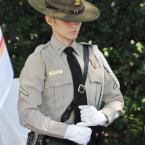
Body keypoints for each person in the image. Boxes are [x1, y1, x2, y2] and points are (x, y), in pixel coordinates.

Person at [17, 0, 124, 145]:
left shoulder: (93, 55)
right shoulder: (39, 60)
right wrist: (67, 131)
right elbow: (27, 113)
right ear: (49, 19)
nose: (74, 24)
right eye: (67, 19)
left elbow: (116, 99)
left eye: (78, 19)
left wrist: (103, 116)